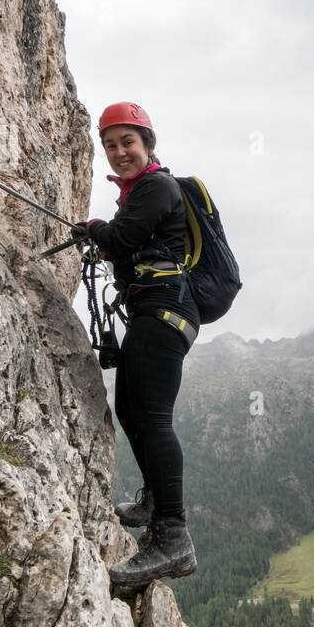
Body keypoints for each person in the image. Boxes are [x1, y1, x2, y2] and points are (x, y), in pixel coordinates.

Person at [81, 101, 199, 587]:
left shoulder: (157, 186)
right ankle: (153, 499)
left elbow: (123, 239)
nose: (118, 152)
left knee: (152, 417)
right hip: (151, 312)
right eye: (109, 145)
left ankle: (173, 537)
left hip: (166, 312)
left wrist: (93, 231)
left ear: (147, 145)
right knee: (130, 409)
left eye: (127, 142)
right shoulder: (136, 193)